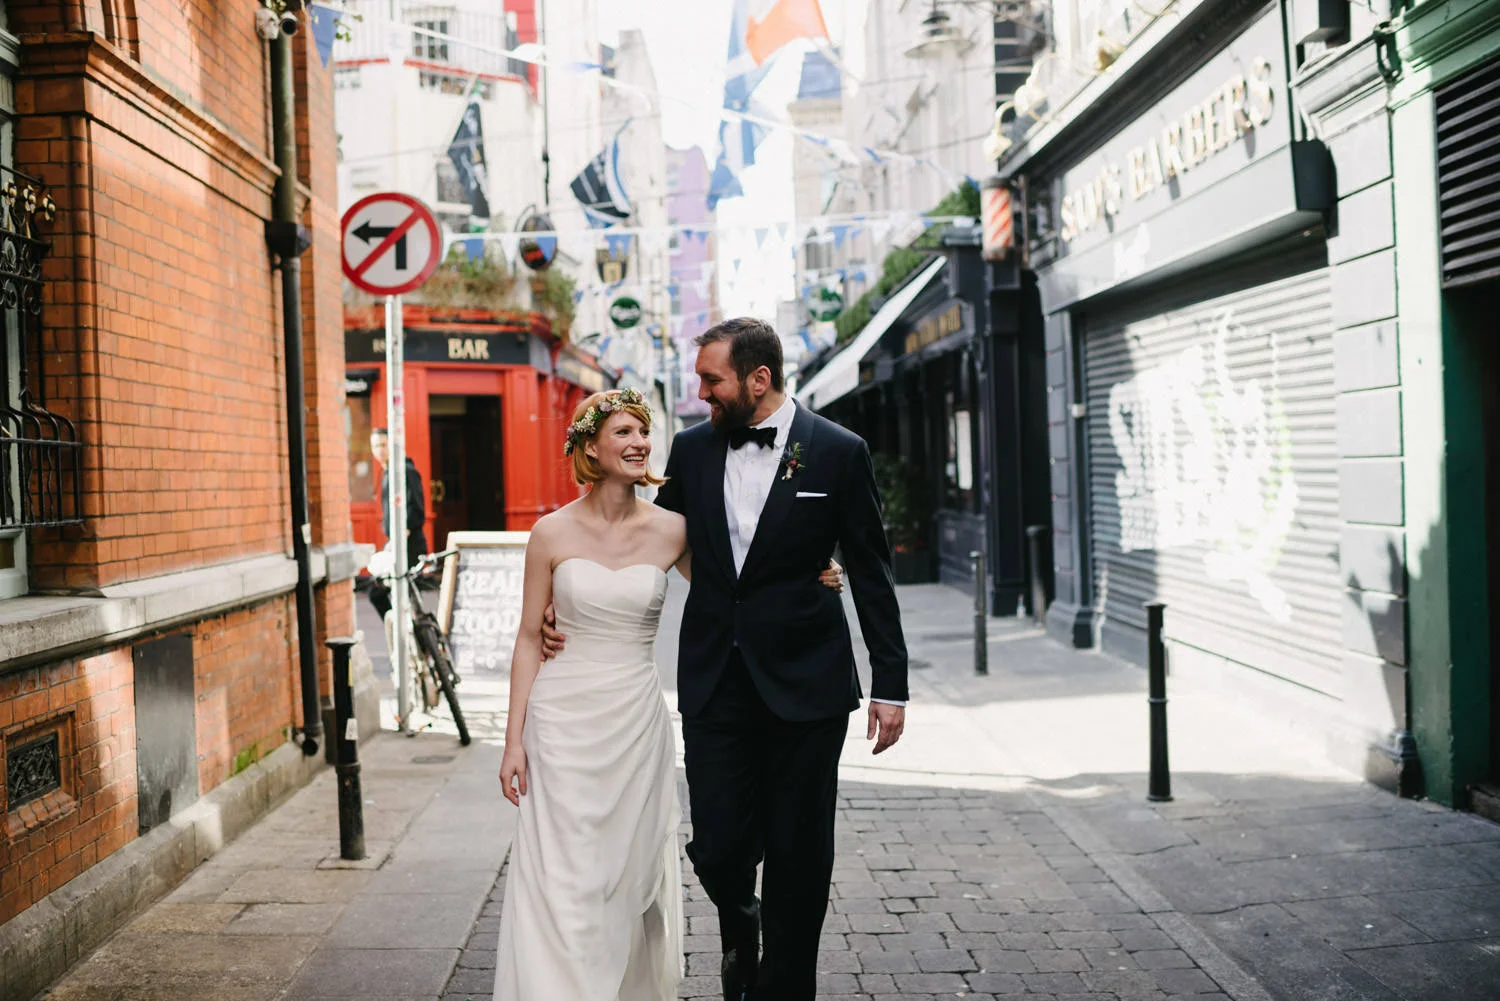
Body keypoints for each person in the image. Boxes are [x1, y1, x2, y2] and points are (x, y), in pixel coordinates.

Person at [543, 318, 909, 1001]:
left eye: (712, 380)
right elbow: (643, 536)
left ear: (758, 379)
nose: (702, 393)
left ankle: (781, 988)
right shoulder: (692, 450)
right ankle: (740, 930)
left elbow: (872, 568)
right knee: (717, 847)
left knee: (800, 857)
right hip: (716, 684)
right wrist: (563, 588)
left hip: (808, 684)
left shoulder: (837, 450)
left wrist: (892, 682)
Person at [495, 387, 845, 1001]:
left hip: (634, 718)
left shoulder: (677, 530)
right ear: (590, 448)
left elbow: (742, 580)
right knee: (563, 866)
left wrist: (819, 572)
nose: (638, 444)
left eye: (642, 433)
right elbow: (528, 638)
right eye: (623, 433)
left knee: (626, 868)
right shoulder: (548, 534)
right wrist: (512, 742)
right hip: (561, 718)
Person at [367, 427, 427, 622]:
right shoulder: (387, 472)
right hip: (396, 543)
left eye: (383, 445)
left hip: (409, 545)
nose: (380, 450)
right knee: (385, 594)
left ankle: (416, 641)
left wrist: (401, 537)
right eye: (375, 446)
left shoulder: (406, 471)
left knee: (399, 597)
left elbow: (416, 510)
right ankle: (402, 632)